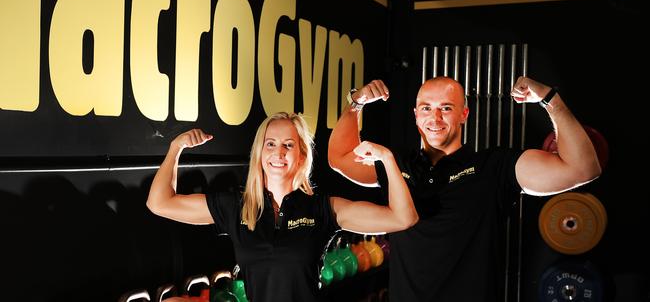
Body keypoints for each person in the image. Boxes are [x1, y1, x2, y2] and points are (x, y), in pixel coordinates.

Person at [328, 76, 602, 302]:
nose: (434, 117)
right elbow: (338, 157)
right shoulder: (395, 165)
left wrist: (551, 101)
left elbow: (583, 168)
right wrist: (356, 103)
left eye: (446, 108)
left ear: (464, 114)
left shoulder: (493, 167)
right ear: (415, 115)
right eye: (426, 108)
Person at [146, 112, 418, 302]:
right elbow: (159, 203)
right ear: (260, 153)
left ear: (301, 156)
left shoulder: (322, 209)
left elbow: (402, 218)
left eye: (288, 145)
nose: (278, 153)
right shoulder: (239, 207)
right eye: (271, 144)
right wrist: (175, 147)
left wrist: (387, 159)